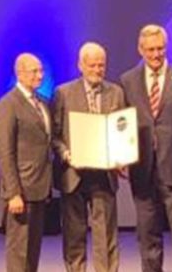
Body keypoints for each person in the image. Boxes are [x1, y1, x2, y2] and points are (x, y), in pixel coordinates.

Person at [119, 24, 172, 272]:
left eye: (160, 48)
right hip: (142, 168)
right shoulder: (128, 81)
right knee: (147, 235)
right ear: (140, 50)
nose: (156, 54)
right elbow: (122, 123)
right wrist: (120, 156)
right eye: (151, 50)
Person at [51, 42, 127, 272]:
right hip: (73, 174)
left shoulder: (116, 92)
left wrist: (122, 156)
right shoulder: (63, 93)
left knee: (106, 235)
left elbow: (122, 131)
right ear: (80, 65)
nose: (97, 70)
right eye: (92, 65)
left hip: (104, 175)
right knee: (74, 234)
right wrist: (66, 154)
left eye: (101, 65)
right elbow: (54, 135)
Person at [0, 53, 53, 272]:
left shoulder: (43, 102)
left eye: (41, 70)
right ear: (20, 74)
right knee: (19, 251)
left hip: (40, 187)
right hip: (21, 189)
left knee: (33, 249)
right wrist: (13, 193)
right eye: (34, 71)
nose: (40, 75)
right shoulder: (8, 104)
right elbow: (5, 152)